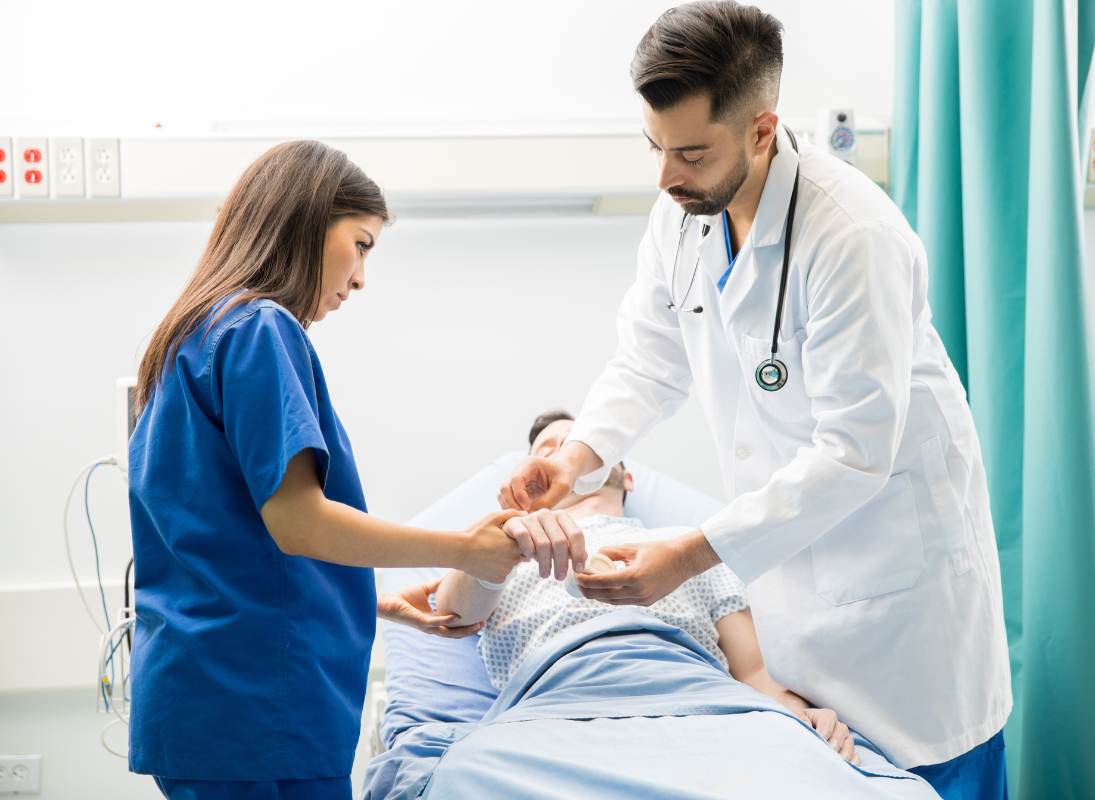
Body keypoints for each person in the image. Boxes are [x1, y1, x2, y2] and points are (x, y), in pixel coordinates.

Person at [499, 3, 1011, 796]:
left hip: (901, 615)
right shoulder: (684, 216)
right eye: (656, 148)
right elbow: (648, 358)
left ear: (762, 131)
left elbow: (854, 454)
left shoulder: (853, 237)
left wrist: (688, 555)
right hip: (791, 604)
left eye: (691, 153)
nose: (665, 177)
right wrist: (577, 457)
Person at [127, 140, 524, 800]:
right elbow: (298, 521)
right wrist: (466, 549)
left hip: (209, 694)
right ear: (308, 220)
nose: (361, 278)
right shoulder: (261, 329)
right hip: (261, 708)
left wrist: (371, 602)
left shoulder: (189, 337)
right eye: (360, 244)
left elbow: (224, 541)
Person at [441, 409, 860, 765]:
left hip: (696, 701)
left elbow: (752, 669)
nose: (563, 457)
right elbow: (455, 615)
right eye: (547, 451)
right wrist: (507, 537)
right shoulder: (504, 549)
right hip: (555, 704)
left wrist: (797, 712)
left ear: (627, 477)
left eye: (579, 447)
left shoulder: (691, 546)